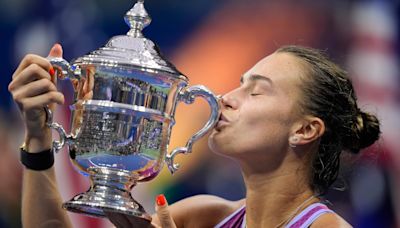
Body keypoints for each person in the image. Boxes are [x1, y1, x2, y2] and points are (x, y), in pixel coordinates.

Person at [8, 43, 381, 228]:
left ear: (304, 130)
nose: (224, 99)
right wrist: (38, 139)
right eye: (238, 84)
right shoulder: (203, 217)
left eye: (255, 91)